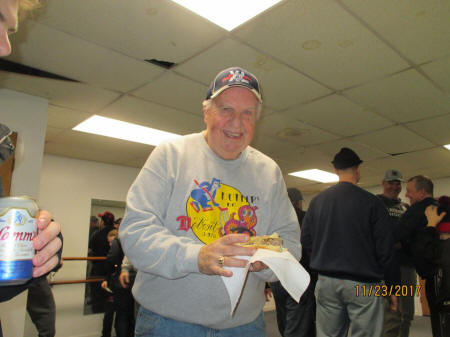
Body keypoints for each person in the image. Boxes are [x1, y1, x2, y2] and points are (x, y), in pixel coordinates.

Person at [119, 66, 301, 336]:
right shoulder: (171, 155)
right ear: (206, 112)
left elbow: (291, 242)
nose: (236, 122)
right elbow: (135, 232)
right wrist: (197, 257)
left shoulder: (269, 171)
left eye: (247, 113)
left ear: (256, 120)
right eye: (226, 109)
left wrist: (270, 262)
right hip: (168, 324)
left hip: (244, 326)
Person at [301, 147, 397, 337]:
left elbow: (306, 241)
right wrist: (393, 287)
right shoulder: (372, 203)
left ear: (335, 171)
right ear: (358, 169)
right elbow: (385, 248)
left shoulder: (317, 202)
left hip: (327, 282)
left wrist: (324, 258)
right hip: (363, 284)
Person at [270, 187, 316, 337]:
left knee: (284, 321)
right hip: (299, 277)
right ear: (297, 202)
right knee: (300, 325)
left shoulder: (272, 220)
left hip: (277, 278)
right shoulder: (305, 217)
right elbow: (311, 247)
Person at [377, 169, 414, 337]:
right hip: (384, 269)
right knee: (388, 314)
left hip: (406, 268)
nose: (395, 186)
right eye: (391, 182)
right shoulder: (375, 204)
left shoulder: (406, 207)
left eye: (398, 183)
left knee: (406, 314)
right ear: (383, 183)